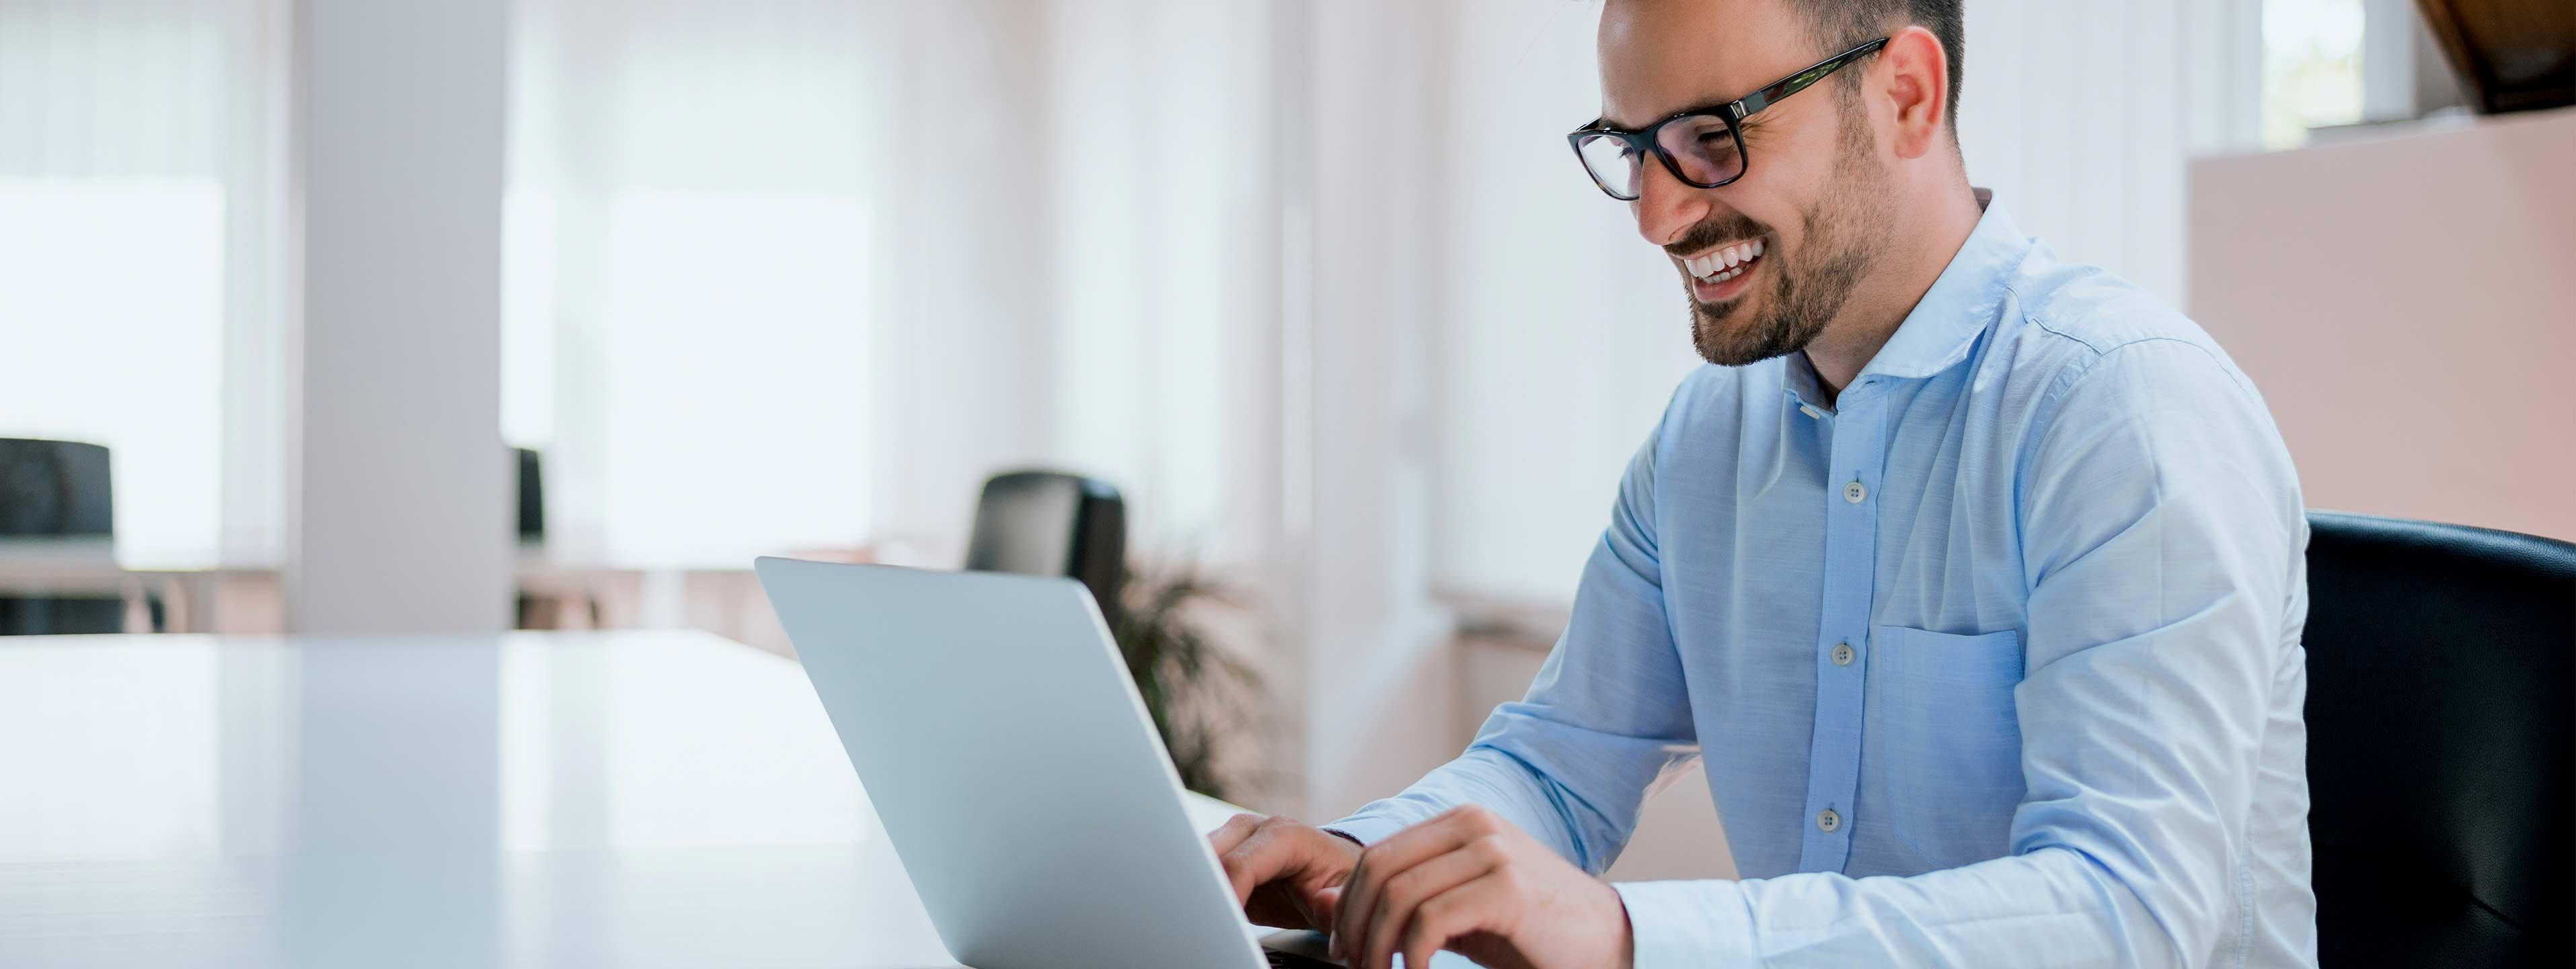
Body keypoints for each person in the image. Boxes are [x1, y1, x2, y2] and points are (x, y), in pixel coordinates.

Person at [1209, 0, 2315, 966]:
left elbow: (2130, 917)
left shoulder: (2122, 409)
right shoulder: (1708, 435)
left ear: (1905, 96)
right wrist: (1358, 861)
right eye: (1631, 146)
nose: (1656, 215)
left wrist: (1620, 937)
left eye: (1710, 136)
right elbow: (1561, 761)